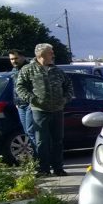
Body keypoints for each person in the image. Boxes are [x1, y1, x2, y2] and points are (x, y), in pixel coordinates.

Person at [15, 43, 74, 176]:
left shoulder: (57, 71)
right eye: (50, 53)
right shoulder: (28, 69)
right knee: (41, 141)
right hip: (39, 111)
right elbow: (20, 88)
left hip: (57, 110)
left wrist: (65, 99)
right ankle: (43, 169)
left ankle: (58, 168)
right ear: (41, 55)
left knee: (57, 140)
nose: (53, 55)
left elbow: (69, 86)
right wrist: (33, 99)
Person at [8, 49, 37, 152]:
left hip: (30, 103)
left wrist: (32, 101)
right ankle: (36, 158)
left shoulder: (29, 68)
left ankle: (40, 159)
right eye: (11, 59)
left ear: (23, 57)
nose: (13, 61)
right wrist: (16, 102)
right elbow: (15, 88)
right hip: (20, 105)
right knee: (27, 132)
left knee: (31, 131)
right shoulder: (14, 70)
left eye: (16, 58)